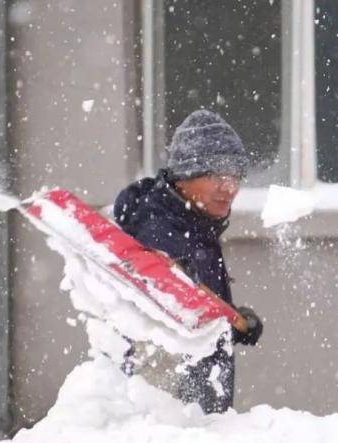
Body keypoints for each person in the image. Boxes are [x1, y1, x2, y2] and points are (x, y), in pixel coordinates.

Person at [112, 110, 263, 413]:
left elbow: (194, 310)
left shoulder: (191, 223)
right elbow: (166, 341)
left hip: (193, 414)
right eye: (217, 175)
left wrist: (231, 322)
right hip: (172, 421)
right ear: (184, 175)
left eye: (235, 175)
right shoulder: (160, 236)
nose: (229, 187)